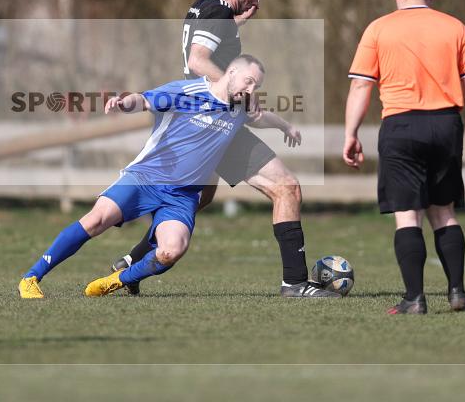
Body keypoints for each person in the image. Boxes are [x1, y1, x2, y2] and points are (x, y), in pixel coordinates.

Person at [110, 0, 333, 298]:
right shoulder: (216, 13)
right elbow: (199, 61)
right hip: (218, 124)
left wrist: (237, 23)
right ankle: (295, 283)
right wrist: (241, 94)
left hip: (198, 123)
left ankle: (132, 263)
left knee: (198, 199)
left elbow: (206, 42)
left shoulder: (203, 5)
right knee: (287, 188)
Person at [19, 55, 334, 298]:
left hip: (182, 196)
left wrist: (285, 127)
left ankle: (117, 280)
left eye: (257, 86)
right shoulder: (187, 90)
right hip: (146, 178)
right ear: (232, 72)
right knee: (96, 220)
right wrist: (122, 103)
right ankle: (31, 278)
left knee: (172, 250)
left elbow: (262, 117)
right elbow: (142, 99)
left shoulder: (241, 107)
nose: (251, 90)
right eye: (249, 81)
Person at [343, 0, 465, 314]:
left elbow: (362, 84)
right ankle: (457, 292)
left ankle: (414, 298)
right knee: (444, 213)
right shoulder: (454, 27)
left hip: (401, 126)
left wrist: (351, 133)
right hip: (445, 124)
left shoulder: (378, 29)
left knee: (407, 216)